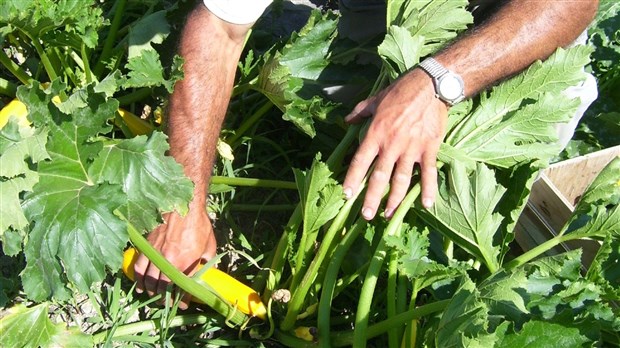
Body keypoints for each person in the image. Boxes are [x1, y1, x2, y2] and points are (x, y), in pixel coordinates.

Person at [134, 0, 599, 308]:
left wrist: (437, 82)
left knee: (494, 158)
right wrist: (182, 206)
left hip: (520, 17)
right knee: (344, 111)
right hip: (397, 12)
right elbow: (217, 27)